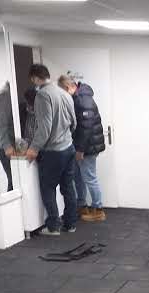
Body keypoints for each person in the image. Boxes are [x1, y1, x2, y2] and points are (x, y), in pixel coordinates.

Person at [25, 63, 78, 235]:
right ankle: (70, 224)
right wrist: (66, 137)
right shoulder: (64, 92)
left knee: (48, 188)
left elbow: (45, 127)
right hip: (69, 147)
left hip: (53, 152)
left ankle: (53, 226)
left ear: (35, 78)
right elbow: (74, 121)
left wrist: (34, 148)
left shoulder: (42, 95)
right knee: (68, 187)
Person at [58, 75, 107, 223]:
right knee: (78, 177)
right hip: (84, 145)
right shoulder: (79, 97)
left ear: (68, 87)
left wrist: (80, 150)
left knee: (90, 178)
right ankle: (82, 206)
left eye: (63, 92)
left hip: (88, 147)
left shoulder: (82, 98)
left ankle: (98, 210)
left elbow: (86, 127)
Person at [0, 81, 15, 192]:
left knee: (17, 181)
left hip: (15, 144)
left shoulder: (12, 93)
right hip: (8, 146)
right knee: (14, 181)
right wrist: (7, 146)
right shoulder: (4, 95)